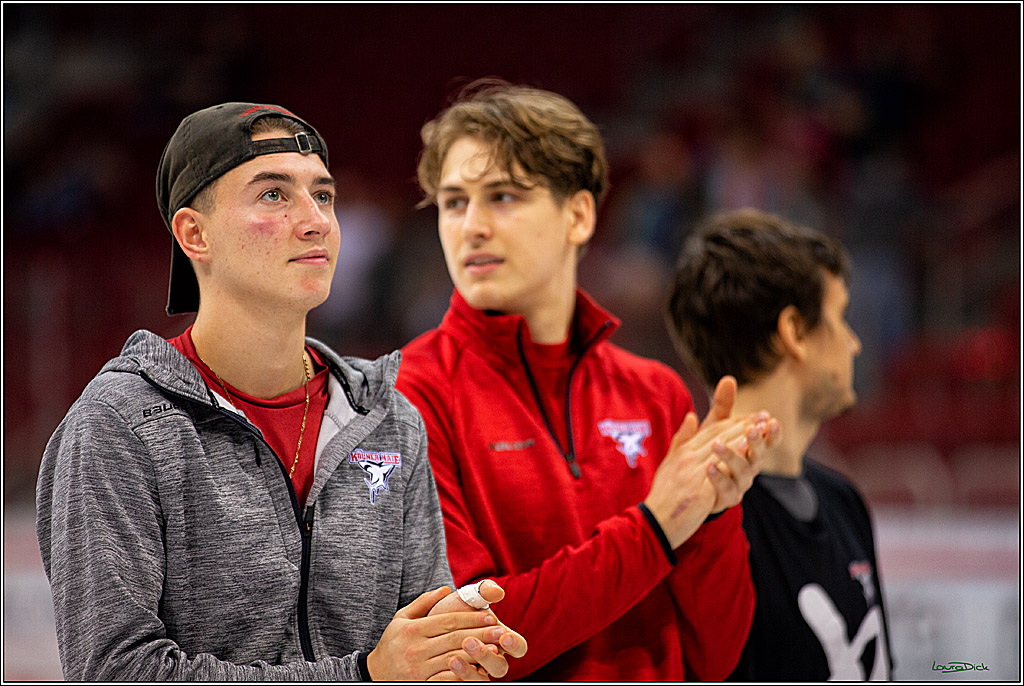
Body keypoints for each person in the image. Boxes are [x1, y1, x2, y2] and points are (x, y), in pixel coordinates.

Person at [35, 101, 526, 681]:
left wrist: (456, 647)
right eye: (274, 194)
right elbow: (116, 672)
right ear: (194, 233)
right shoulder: (120, 425)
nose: (315, 219)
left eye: (323, 195)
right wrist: (364, 676)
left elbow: (417, 642)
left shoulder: (389, 417)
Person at [396, 81, 779, 680]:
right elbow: (473, 642)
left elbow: (715, 658)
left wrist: (712, 515)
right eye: (453, 202)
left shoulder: (657, 394)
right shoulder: (407, 394)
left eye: (502, 197)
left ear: (578, 215)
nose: (471, 226)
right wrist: (654, 529)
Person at [666, 208, 895, 680]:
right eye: (840, 316)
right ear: (793, 332)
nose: (854, 343)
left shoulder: (843, 500)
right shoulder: (693, 514)